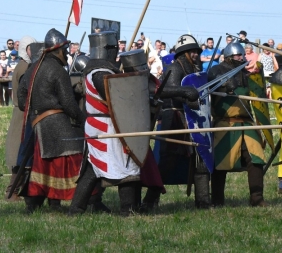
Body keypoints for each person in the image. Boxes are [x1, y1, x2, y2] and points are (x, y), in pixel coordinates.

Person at [69, 31, 142, 216]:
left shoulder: (101, 71)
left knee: (93, 169)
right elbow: (115, 99)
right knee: (127, 167)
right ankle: (128, 210)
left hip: (105, 125)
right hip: (106, 126)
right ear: (108, 49)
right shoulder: (100, 73)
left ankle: (76, 209)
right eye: (114, 48)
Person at [17, 28, 85, 213]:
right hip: (57, 124)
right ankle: (88, 198)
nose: (66, 52)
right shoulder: (57, 70)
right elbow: (69, 104)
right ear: (58, 50)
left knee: (45, 165)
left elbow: (22, 101)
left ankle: (47, 202)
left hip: (38, 124)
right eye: (65, 49)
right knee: (75, 157)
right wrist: (83, 119)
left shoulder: (33, 68)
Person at [142, 34, 211, 209]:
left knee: (201, 158)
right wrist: (186, 92)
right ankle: (150, 201)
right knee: (168, 163)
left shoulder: (194, 69)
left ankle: (203, 201)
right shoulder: (175, 67)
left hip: (193, 118)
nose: (195, 54)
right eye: (191, 51)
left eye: (196, 51)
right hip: (175, 116)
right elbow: (163, 91)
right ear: (183, 53)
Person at [208, 42, 267, 207]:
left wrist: (258, 76)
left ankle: (257, 198)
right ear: (228, 57)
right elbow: (209, 83)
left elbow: (257, 92)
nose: (242, 58)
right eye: (238, 56)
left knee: (255, 160)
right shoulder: (217, 70)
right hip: (225, 124)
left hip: (247, 124)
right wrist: (225, 84)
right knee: (221, 163)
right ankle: (217, 200)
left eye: (242, 55)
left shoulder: (245, 73)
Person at [4, 36, 37, 200]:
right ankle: (12, 191)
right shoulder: (25, 68)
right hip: (23, 113)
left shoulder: (25, 65)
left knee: (24, 154)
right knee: (21, 154)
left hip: (24, 112)